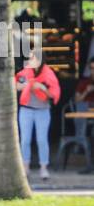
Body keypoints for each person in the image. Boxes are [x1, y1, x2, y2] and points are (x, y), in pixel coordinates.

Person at [15, 49, 60, 181]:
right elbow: (16, 84)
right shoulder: (25, 72)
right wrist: (28, 85)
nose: (29, 61)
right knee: (25, 140)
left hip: (43, 110)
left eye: (32, 58)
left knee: (42, 140)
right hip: (26, 110)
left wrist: (42, 88)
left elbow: (53, 94)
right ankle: (25, 167)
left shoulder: (49, 74)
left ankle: (44, 168)